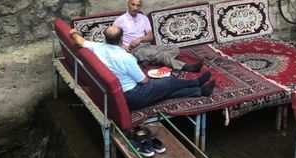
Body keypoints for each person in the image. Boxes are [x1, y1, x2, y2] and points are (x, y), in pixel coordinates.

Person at [69, 25, 215, 111]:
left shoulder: (97, 47)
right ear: (121, 39)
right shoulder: (126, 57)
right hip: (133, 97)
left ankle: (200, 91)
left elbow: (80, 40)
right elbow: (144, 81)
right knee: (168, 82)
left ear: (105, 38)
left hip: (114, 93)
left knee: (164, 91)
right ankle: (195, 83)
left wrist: (74, 33)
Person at [114, 0, 203, 73]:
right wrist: (124, 47)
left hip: (147, 46)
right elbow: (113, 38)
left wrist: (140, 39)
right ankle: (187, 67)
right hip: (135, 49)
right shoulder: (120, 20)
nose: (135, 8)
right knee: (161, 55)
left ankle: (150, 60)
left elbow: (150, 36)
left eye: (138, 5)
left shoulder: (143, 18)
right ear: (128, 4)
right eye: (133, 4)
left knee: (175, 49)